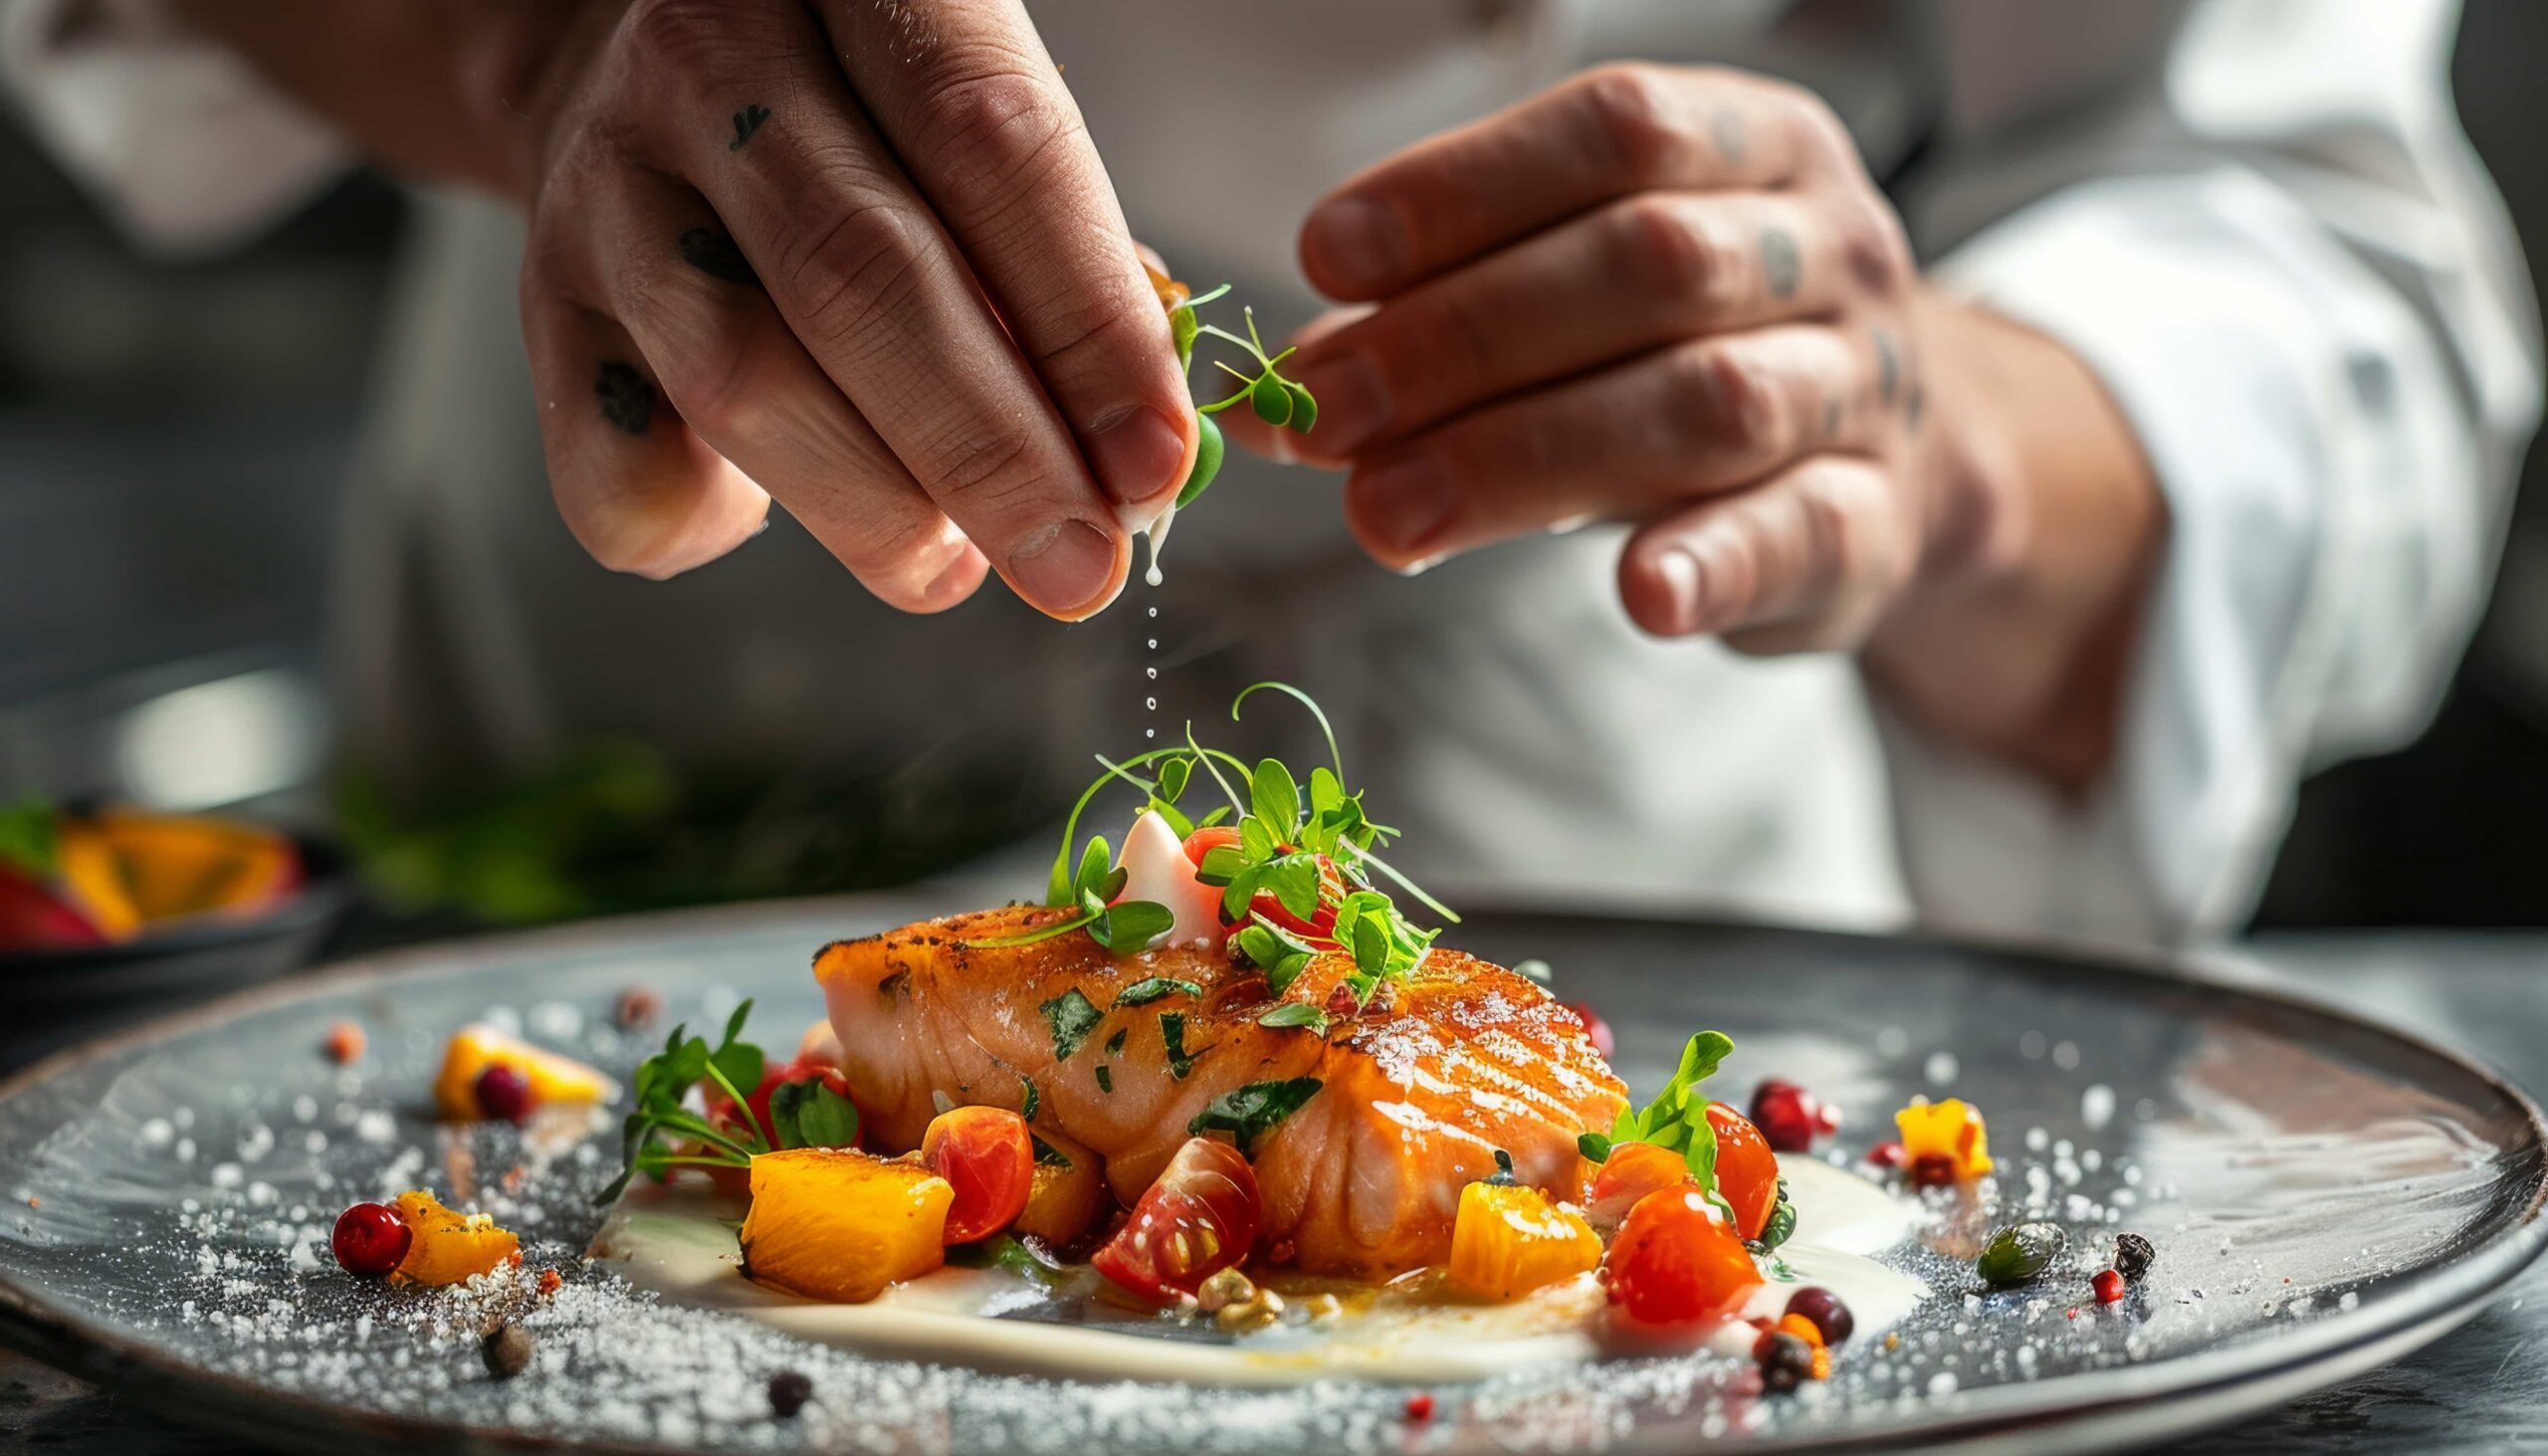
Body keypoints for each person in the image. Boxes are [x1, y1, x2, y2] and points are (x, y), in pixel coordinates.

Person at [5, 0, 2535, 942]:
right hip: (628, 722)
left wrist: (1906, 423)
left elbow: (2318, 275)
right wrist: (542, 47)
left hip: (1615, 864)